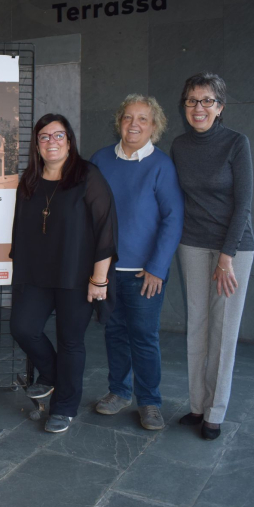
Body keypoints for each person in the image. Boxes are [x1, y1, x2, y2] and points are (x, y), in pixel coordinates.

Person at [9, 113, 117, 434]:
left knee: (71, 342)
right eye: (44, 137)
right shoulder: (28, 181)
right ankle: (54, 374)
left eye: (58, 136)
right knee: (23, 327)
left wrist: (100, 279)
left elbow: (106, 229)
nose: (51, 142)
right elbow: (21, 232)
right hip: (36, 276)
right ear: (37, 145)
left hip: (76, 276)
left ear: (69, 141)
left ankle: (65, 407)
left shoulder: (88, 176)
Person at [90, 95, 184, 430]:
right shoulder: (100, 160)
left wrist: (158, 267)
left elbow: (173, 218)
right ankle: (119, 392)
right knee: (114, 333)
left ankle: (150, 402)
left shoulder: (161, 165)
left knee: (144, 336)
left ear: (154, 126)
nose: (134, 124)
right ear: (119, 122)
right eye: (128, 117)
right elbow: (88, 214)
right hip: (108, 270)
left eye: (143, 119)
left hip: (146, 272)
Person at [171, 73, 254, 440]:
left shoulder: (237, 143)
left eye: (207, 101)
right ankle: (196, 405)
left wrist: (226, 256)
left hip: (233, 248)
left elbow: (244, 204)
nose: (199, 108)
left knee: (224, 332)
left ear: (220, 107)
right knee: (198, 326)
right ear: (184, 106)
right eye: (192, 100)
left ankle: (215, 412)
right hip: (192, 243)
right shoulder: (179, 146)